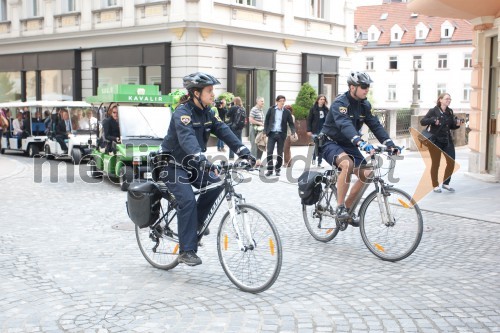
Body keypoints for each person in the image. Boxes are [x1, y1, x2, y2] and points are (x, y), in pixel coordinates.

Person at [159, 72, 256, 266]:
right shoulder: (182, 113)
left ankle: (196, 223)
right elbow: (187, 138)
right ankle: (186, 251)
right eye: (209, 91)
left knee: (218, 181)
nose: (213, 95)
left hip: (192, 163)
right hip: (171, 165)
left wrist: (244, 152)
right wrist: (200, 158)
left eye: (213, 91)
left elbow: (225, 132)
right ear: (196, 93)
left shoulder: (209, 112)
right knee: (187, 200)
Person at [321, 71, 400, 227]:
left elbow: (375, 125)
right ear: (352, 87)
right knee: (347, 164)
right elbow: (345, 125)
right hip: (330, 143)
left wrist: (390, 143)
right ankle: (340, 207)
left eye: (368, 86)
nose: (366, 89)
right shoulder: (340, 104)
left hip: (349, 145)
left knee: (368, 173)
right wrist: (359, 141)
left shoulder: (364, 105)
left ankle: (348, 210)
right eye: (363, 86)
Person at [420, 93, 461, 193]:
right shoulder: (433, 111)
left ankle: (446, 183)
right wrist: (433, 120)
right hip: (435, 141)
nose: (449, 100)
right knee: (436, 163)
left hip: (447, 140)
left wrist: (457, 124)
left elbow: (451, 126)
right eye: (447, 99)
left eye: (450, 99)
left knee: (451, 162)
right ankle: (435, 185)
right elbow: (423, 121)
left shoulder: (449, 111)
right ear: (440, 100)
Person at [263, 95, 296, 177]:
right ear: (277, 101)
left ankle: (277, 169)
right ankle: (270, 170)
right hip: (272, 133)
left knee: (280, 153)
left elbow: (291, 123)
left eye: (283, 101)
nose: (282, 102)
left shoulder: (286, 112)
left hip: (281, 134)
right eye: (281, 100)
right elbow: (266, 121)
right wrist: (265, 131)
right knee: (269, 152)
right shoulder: (271, 110)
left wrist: (293, 131)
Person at [307, 94, 329, 168]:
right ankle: (313, 158)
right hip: (314, 130)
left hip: (323, 131)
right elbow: (309, 120)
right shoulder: (313, 109)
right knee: (315, 145)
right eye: (321, 99)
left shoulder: (326, 109)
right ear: (318, 100)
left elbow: (328, 120)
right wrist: (309, 130)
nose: (322, 101)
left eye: (323, 99)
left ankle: (319, 162)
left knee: (321, 146)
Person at [249, 97, 265, 166]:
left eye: (263, 101)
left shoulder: (261, 110)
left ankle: (258, 161)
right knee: (254, 146)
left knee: (261, 145)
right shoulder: (254, 109)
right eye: (261, 101)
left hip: (260, 130)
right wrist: (259, 123)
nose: (263, 102)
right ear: (257, 101)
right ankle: (252, 162)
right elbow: (251, 120)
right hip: (254, 129)